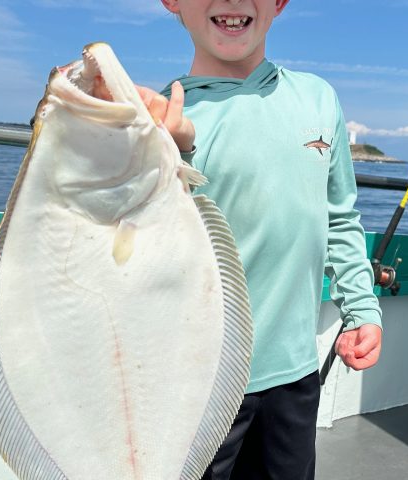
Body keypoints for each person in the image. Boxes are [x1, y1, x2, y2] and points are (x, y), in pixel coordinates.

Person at [137, 1, 383, 478]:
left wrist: (360, 306)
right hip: (196, 383)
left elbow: (339, 218)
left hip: (294, 372)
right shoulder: (156, 120)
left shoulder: (318, 98)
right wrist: (176, 144)